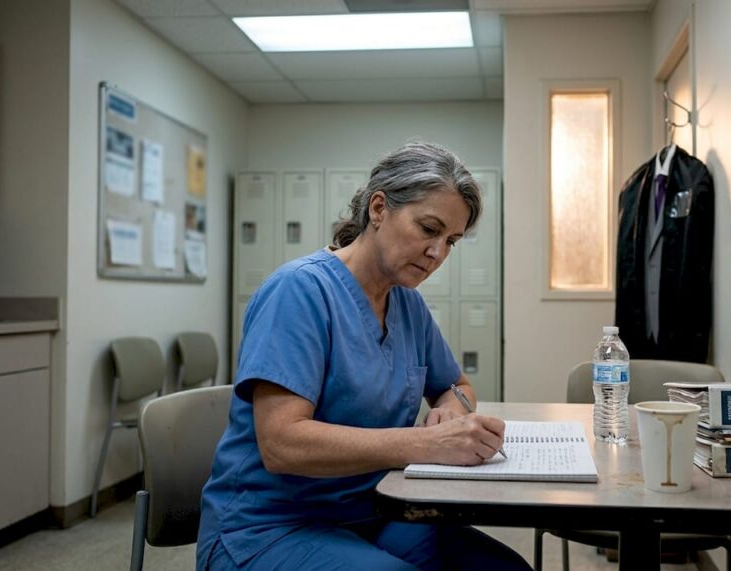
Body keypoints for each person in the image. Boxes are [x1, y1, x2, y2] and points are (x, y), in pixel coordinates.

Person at [197, 142, 530, 571]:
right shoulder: (299, 292)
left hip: (373, 512)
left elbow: (455, 386)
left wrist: (450, 412)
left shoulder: (406, 304)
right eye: (428, 229)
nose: (438, 254)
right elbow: (282, 444)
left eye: (451, 241)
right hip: (269, 527)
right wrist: (425, 444)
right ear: (378, 208)